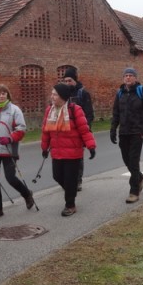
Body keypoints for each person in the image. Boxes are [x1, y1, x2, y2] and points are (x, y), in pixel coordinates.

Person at [41, 83, 96, 216]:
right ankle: (71, 193)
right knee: (57, 175)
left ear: (62, 96)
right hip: (57, 151)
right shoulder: (50, 110)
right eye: (52, 93)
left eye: (55, 94)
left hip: (73, 152)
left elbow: (84, 129)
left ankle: (70, 205)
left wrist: (91, 146)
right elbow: (46, 130)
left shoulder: (75, 110)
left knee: (70, 179)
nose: (52, 96)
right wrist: (44, 147)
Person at [110, 68, 143, 203]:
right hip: (124, 131)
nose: (128, 78)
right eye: (126, 76)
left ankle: (134, 191)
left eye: (131, 76)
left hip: (137, 131)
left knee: (134, 161)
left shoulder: (141, 92)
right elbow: (116, 113)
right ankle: (140, 177)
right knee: (126, 160)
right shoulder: (120, 93)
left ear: (135, 78)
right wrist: (113, 129)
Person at [0, 84, 34, 217]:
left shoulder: (14, 110)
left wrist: (10, 138)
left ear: (8, 95)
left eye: (4, 93)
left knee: (10, 178)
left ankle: (27, 194)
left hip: (9, 149)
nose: (1, 95)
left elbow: (21, 129)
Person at [62, 67, 94, 191]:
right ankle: (67, 180)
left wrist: (86, 130)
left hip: (79, 130)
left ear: (75, 80)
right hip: (65, 130)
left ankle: (78, 180)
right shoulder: (63, 93)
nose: (67, 83)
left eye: (69, 80)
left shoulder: (83, 93)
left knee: (78, 157)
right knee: (65, 156)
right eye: (65, 81)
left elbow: (89, 114)